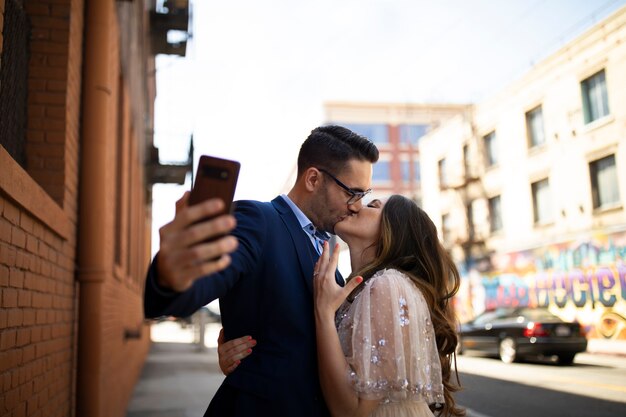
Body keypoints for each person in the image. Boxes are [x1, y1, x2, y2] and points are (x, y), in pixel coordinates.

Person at [143, 125, 379, 417]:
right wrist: (171, 277)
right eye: (352, 193)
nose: (356, 206)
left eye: (363, 195)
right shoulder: (258, 221)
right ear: (314, 178)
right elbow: (198, 286)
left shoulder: (330, 256)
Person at [221, 195, 464, 416]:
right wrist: (241, 358)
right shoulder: (346, 286)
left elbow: (350, 412)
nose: (356, 205)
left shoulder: (388, 285)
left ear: (395, 229)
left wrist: (325, 313)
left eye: (372, 205)